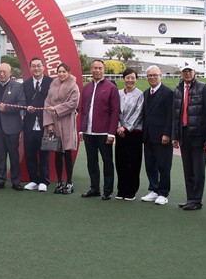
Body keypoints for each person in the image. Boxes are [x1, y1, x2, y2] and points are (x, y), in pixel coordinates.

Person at [79, 59, 120, 200]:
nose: (97, 70)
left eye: (100, 68)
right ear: (91, 70)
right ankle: (94, 188)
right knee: (92, 162)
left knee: (107, 162)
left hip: (104, 133)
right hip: (88, 132)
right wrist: (81, 130)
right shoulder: (86, 87)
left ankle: (107, 191)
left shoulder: (111, 87)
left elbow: (115, 111)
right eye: (95, 68)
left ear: (104, 70)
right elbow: (83, 109)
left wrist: (111, 133)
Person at [172, 67, 206, 210]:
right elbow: (175, 114)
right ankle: (190, 198)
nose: (187, 74)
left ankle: (197, 200)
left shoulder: (203, 88)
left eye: (190, 71)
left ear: (194, 72)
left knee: (198, 170)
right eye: (185, 71)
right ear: (181, 73)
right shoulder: (178, 90)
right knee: (187, 168)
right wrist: (175, 135)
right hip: (184, 133)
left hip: (198, 134)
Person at [0, 63, 26, 190]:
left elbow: (22, 104)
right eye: (0, 72)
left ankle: (16, 181)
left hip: (12, 127)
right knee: (0, 155)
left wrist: (7, 108)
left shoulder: (18, 86)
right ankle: (0, 180)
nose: (2, 74)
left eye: (4, 71)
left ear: (10, 72)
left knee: (14, 155)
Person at [43, 63, 80, 194]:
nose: (61, 74)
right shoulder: (53, 85)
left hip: (67, 122)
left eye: (64, 71)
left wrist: (56, 109)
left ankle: (69, 182)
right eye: (59, 71)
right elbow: (47, 103)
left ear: (68, 73)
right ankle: (59, 182)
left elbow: (73, 104)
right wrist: (49, 123)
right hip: (54, 123)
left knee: (67, 153)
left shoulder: (74, 87)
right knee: (57, 153)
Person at [140, 65, 173, 205]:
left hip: (162, 137)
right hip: (148, 136)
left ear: (160, 76)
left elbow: (170, 115)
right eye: (150, 75)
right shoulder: (146, 93)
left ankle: (163, 193)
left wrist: (167, 133)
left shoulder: (168, 93)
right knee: (150, 165)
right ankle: (154, 189)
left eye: (155, 75)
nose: (152, 78)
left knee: (163, 166)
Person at [22, 57, 53, 192]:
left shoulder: (51, 82)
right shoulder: (26, 84)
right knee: (30, 152)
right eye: (33, 66)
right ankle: (34, 180)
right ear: (30, 68)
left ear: (43, 67)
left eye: (38, 66)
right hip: (29, 124)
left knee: (45, 153)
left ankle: (44, 181)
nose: (36, 68)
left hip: (46, 124)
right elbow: (22, 102)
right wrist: (27, 108)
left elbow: (54, 101)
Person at [114, 68, 144, 200]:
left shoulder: (140, 95)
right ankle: (121, 189)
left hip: (134, 133)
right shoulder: (118, 93)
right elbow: (115, 111)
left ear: (136, 79)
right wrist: (118, 127)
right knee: (121, 162)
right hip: (120, 133)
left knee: (134, 162)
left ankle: (131, 191)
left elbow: (138, 113)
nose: (130, 80)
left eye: (132, 78)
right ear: (123, 79)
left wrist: (126, 128)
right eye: (127, 77)